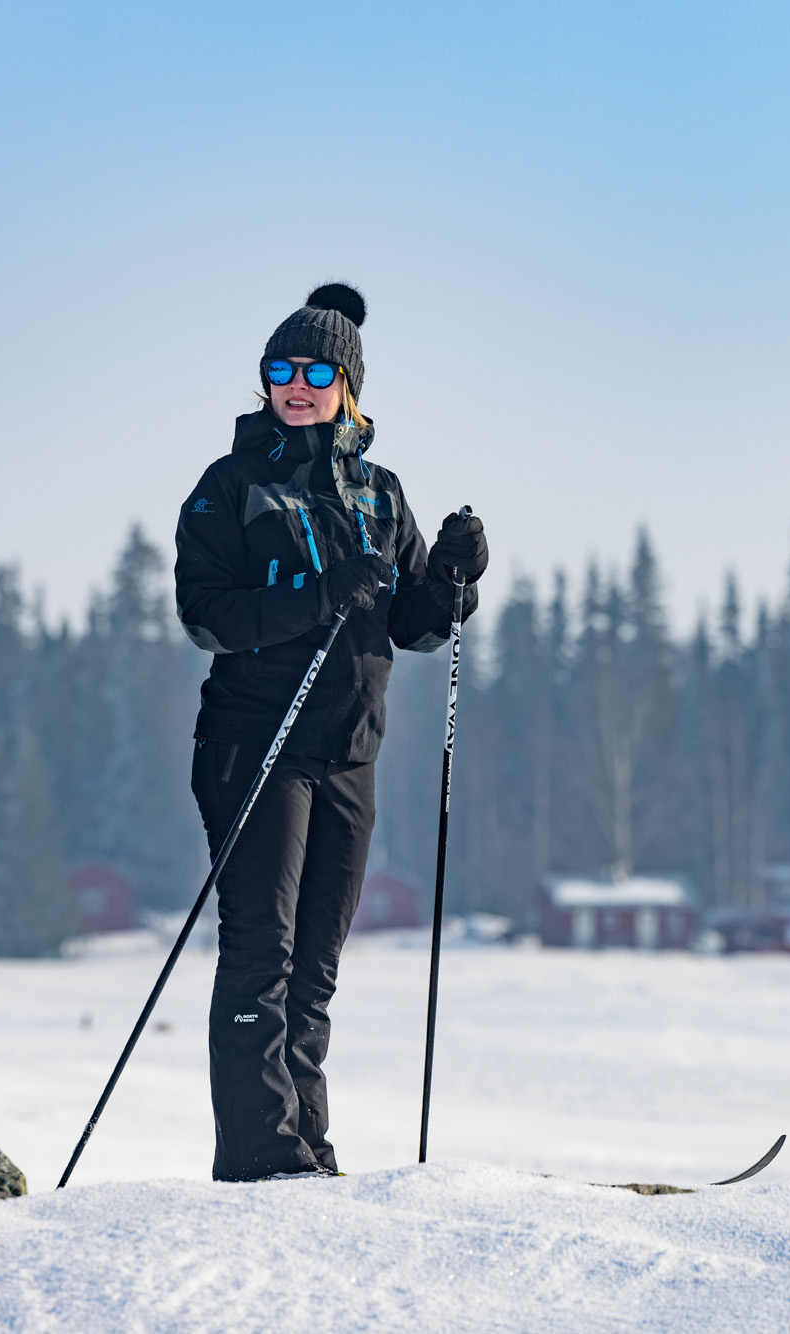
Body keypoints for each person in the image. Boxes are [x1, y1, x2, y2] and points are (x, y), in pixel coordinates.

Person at [174, 283, 487, 1181]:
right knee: (261, 957)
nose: (296, 386)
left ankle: (308, 1143)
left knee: (316, 967)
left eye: (315, 371)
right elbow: (206, 614)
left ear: (349, 385)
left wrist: (458, 578)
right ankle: (263, 1155)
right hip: (255, 746)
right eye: (280, 370)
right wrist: (318, 593)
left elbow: (420, 626)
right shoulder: (231, 486)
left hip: (349, 750)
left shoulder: (381, 497)